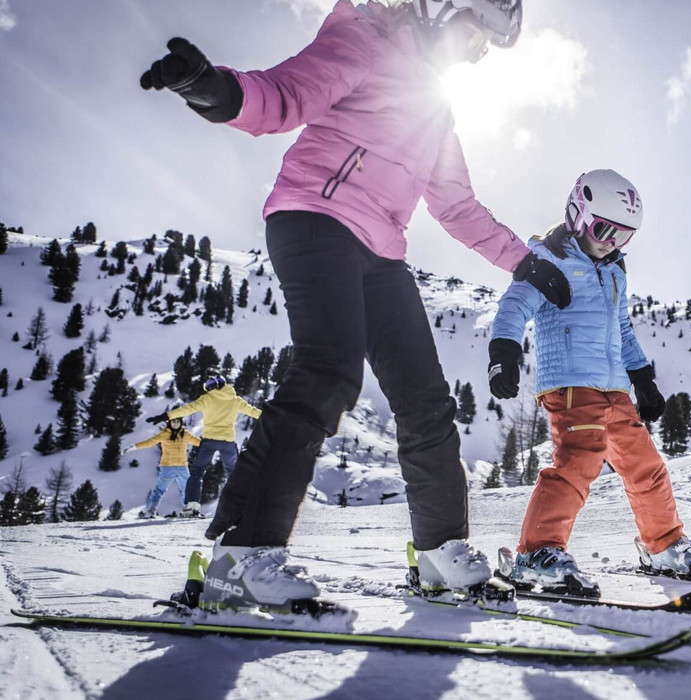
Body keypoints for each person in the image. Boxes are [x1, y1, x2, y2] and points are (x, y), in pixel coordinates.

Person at [140, 0, 571, 611]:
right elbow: (283, 95)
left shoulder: (436, 109)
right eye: (475, 36)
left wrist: (524, 262)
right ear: (441, 10)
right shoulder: (365, 41)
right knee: (328, 371)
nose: (474, 55)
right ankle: (240, 559)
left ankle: (439, 555)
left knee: (425, 398)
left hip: (380, 252)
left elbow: (457, 207)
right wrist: (213, 90)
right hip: (314, 217)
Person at [487, 169, 691, 595]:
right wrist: (504, 353)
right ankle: (535, 553)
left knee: (645, 467)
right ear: (577, 213)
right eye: (603, 228)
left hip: (615, 388)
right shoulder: (547, 261)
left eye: (624, 235)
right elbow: (514, 305)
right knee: (578, 462)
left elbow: (624, 329)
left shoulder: (614, 271)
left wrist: (643, 378)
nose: (612, 241)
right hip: (572, 384)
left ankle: (663, 545)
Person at [145, 376, 262, 517]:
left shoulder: (207, 399)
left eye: (210, 385)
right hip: (227, 442)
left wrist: (165, 416)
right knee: (233, 473)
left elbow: (188, 409)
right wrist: (276, 417)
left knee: (197, 472)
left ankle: (191, 507)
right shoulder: (235, 400)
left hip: (209, 441)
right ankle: (238, 506)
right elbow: (255, 412)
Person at [125, 416, 202, 519]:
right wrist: (134, 447)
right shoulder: (164, 434)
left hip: (182, 467)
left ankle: (188, 511)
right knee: (160, 490)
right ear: (169, 423)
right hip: (167, 467)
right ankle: (150, 510)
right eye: (173, 421)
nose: (175, 423)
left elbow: (198, 442)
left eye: (177, 421)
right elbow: (150, 442)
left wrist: (213, 444)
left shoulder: (185, 434)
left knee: (187, 490)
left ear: (181, 422)